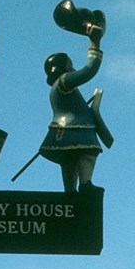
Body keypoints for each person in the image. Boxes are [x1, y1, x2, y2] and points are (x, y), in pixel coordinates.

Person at [40, 15, 110, 193]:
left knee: (69, 160)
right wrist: (95, 43)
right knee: (88, 153)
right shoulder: (64, 81)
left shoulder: (58, 88)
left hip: (62, 130)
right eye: (70, 65)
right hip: (75, 129)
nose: (73, 69)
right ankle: (85, 184)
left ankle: (70, 191)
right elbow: (89, 71)